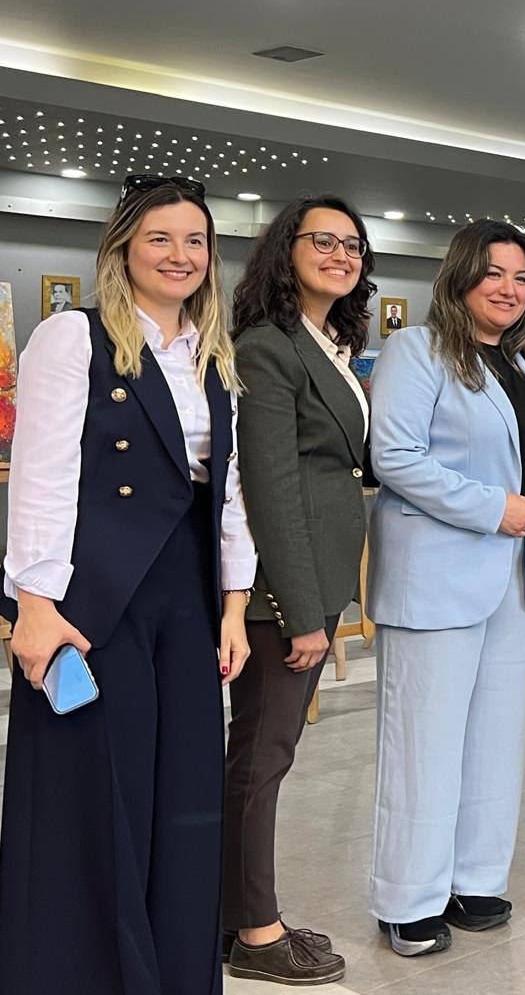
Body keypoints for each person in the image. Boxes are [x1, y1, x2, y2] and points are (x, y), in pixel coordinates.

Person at [0, 174, 255, 995]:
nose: (181, 255)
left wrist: (235, 606)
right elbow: (40, 474)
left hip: (188, 597)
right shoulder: (72, 337)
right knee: (95, 801)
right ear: (122, 249)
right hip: (95, 603)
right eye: (160, 238)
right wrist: (33, 604)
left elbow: (230, 491)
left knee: (185, 800)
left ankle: (176, 976)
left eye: (195, 241)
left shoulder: (213, 356)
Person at [366, 221, 525, 958]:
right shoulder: (417, 350)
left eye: (521, 277)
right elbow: (395, 456)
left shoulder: (522, 365)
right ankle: (408, 900)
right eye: (493, 273)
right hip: (436, 577)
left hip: (510, 580)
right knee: (424, 744)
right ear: (460, 278)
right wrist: (491, 509)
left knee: (494, 742)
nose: (509, 289)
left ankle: (474, 880)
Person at [221, 197, 377, 985]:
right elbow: (270, 486)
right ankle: (254, 931)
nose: (341, 254)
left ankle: (239, 916)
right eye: (323, 240)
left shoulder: (327, 342)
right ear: (286, 250)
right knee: (261, 758)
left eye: (353, 245)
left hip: (314, 580)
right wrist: (302, 612)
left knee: (265, 755)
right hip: (283, 594)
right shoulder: (267, 347)